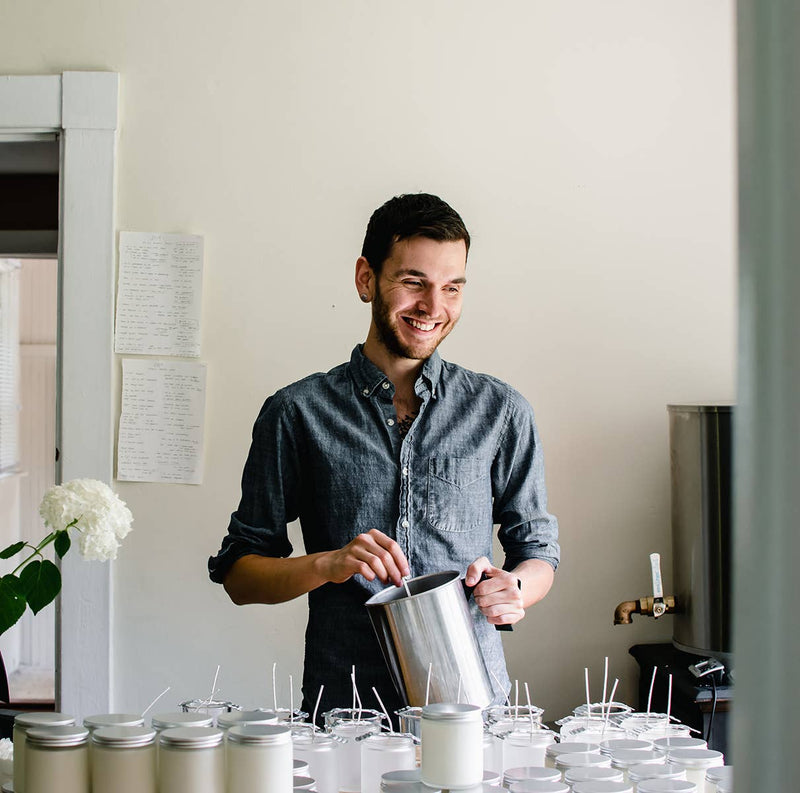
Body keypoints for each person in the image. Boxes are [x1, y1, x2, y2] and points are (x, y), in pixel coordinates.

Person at [208, 193, 559, 722]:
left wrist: (516, 588)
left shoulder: (501, 412)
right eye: (413, 282)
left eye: (452, 288)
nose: (433, 307)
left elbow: (537, 553)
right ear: (366, 279)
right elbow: (240, 575)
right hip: (346, 709)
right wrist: (326, 564)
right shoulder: (295, 413)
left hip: (471, 707)